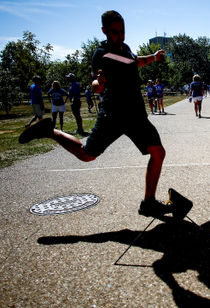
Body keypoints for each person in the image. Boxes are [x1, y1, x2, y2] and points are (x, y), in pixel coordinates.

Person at [18, 10, 190, 219]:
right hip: (113, 115)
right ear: (105, 31)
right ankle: (50, 132)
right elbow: (96, 83)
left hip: (135, 115)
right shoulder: (102, 53)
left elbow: (135, 61)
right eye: (115, 32)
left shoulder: (125, 49)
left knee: (158, 152)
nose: (120, 35)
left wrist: (153, 58)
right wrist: (98, 85)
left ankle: (149, 203)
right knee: (86, 155)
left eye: (122, 31)